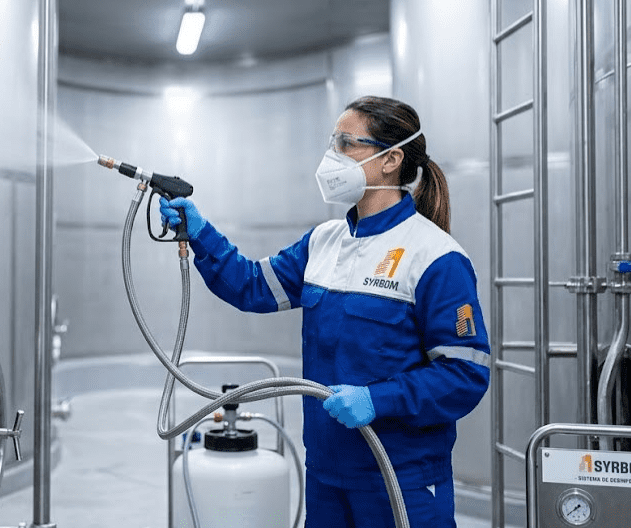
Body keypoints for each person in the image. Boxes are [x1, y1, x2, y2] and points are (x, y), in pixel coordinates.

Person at [159, 96, 491, 527]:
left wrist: (378, 399)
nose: (332, 157)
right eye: (332, 143)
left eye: (346, 144)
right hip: (327, 473)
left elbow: (465, 375)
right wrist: (200, 234)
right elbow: (252, 287)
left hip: (399, 477)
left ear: (391, 159)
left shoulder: (435, 257)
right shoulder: (324, 241)